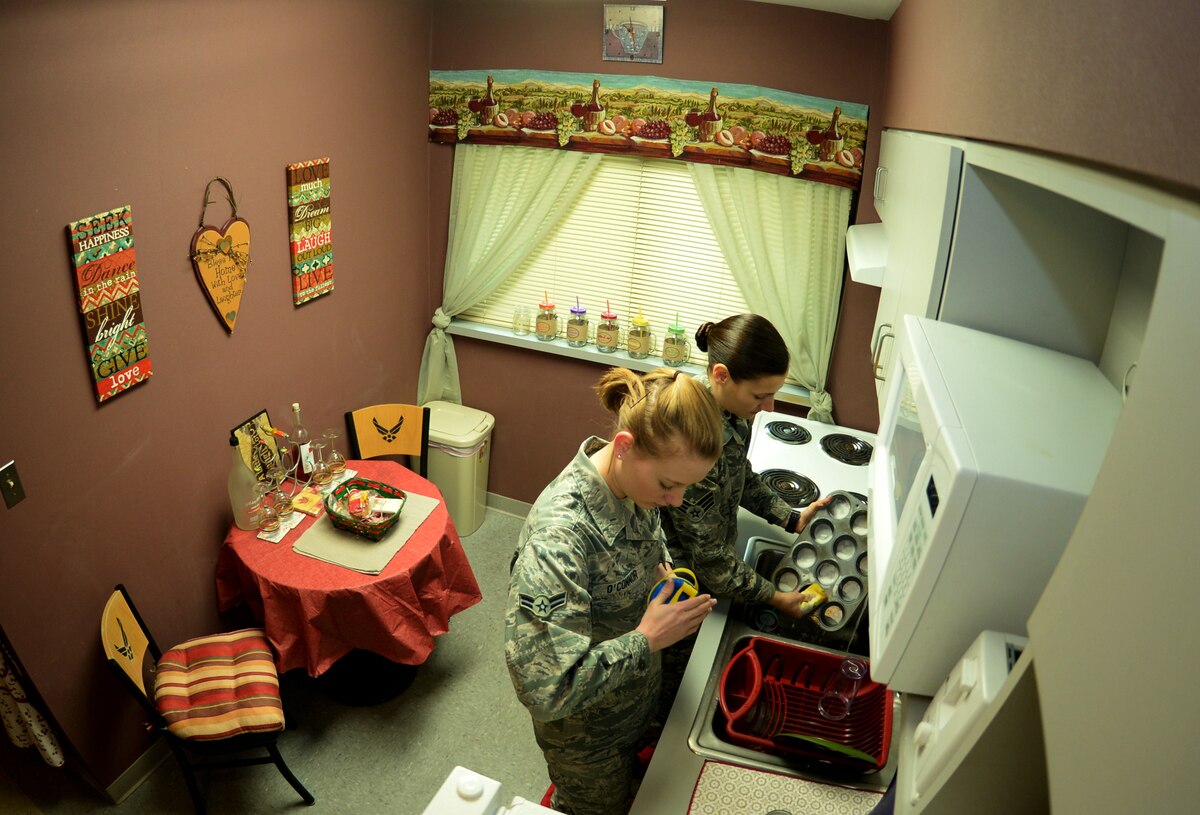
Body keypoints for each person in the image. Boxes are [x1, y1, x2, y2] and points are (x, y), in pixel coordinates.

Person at [505, 367, 723, 815]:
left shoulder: (631, 486)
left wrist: (661, 579)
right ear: (624, 447)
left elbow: (637, 555)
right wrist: (647, 639)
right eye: (669, 484)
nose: (678, 500)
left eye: (686, 485)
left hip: (631, 707)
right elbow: (547, 691)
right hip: (588, 742)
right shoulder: (559, 541)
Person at [655, 314, 829, 722]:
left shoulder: (732, 414)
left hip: (705, 562)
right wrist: (775, 596)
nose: (769, 407)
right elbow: (711, 563)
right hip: (679, 580)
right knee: (672, 682)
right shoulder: (694, 442)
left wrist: (791, 518)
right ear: (721, 375)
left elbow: (742, 477)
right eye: (760, 396)